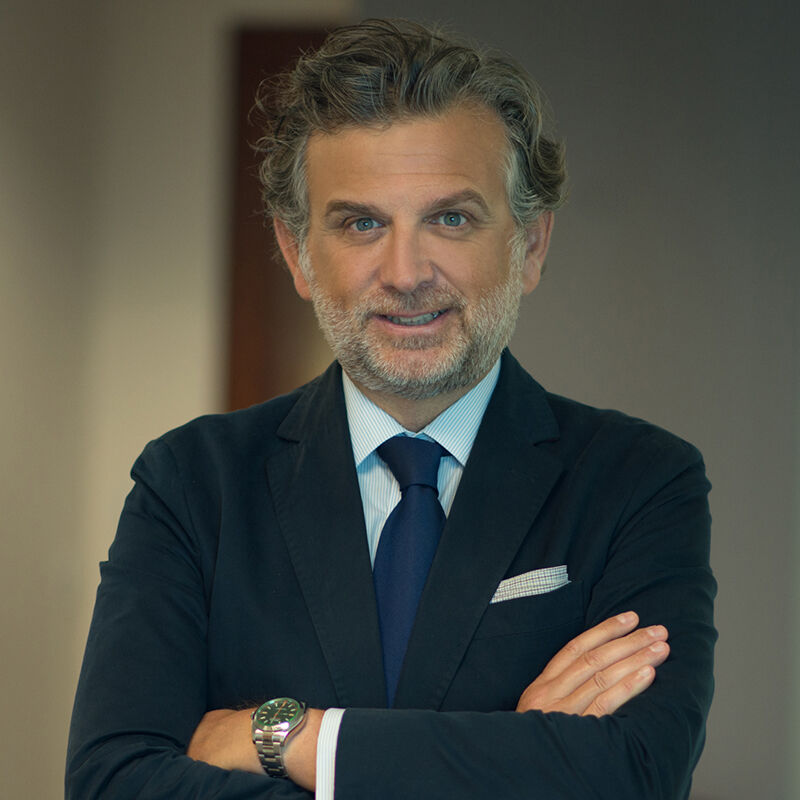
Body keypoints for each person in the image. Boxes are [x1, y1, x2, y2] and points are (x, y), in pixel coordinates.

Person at [66, 18, 716, 800]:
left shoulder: (638, 481)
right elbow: (113, 783)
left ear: (531, 245)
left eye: (451, 218)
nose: (406, 273)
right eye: (361, 223)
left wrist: (292, 736)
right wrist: (518, 751)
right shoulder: (191, 482)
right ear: (297, 254)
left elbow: (635, 773)